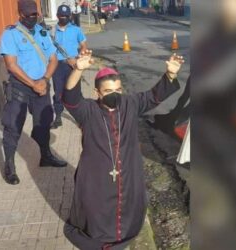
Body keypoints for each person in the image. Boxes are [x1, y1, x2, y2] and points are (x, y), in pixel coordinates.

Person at [62, 50, 184, 249]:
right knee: (97, 208)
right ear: (97, 93)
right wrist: (78, 69)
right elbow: (70, 96)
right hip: (96, 172)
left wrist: (170, 74)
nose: (115, 95)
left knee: (127, 204)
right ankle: (101, 236)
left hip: (127, 168)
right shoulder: (87, 110)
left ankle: (123, 234)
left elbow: (154, 96)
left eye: (118, 90)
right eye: (108, 91)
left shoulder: (130, 103)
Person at [0, 0, 67, 185]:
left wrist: (44, 80)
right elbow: (11, 65)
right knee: (13, 126)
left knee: (43, 123)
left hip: (41, 85)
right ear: (20, 14)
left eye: (34, 15)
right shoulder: (10, 34)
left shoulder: (42, 32)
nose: (32, 18)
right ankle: (10, 166)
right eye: (28, 15)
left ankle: (46, 156)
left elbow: (53, 59)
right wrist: (33, 83)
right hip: (20, 86)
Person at [50, 4, 87, 129]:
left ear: (70, 16)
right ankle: (58, 117)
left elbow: (83, 45)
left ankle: (80, 117)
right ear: (57, 16)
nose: (64, 17)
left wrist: (79, 57)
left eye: (66, 15)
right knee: (58, 92)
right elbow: (49, 50)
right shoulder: (52, 31)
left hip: (73, 66)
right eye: (61, 15)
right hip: (58, 66)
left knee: (75, 91)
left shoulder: (76, 30)